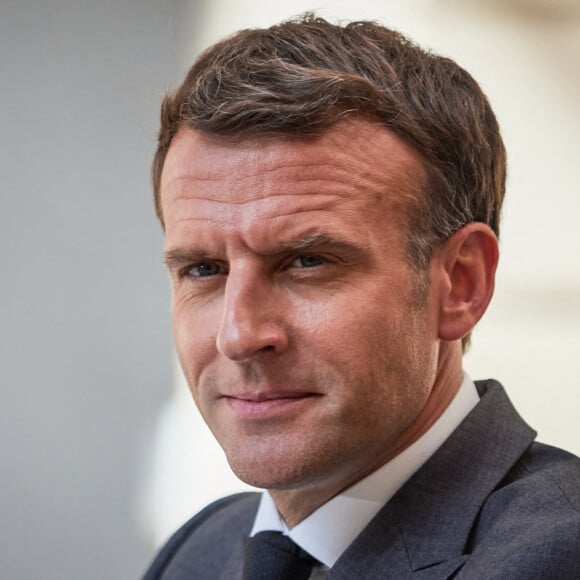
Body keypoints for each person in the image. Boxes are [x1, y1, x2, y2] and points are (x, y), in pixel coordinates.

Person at [144, 14, 580, 579]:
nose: (239, 335)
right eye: (204, 269)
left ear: (460, 284)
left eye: (308, 261)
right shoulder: (198, 551)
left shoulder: (556, 554)